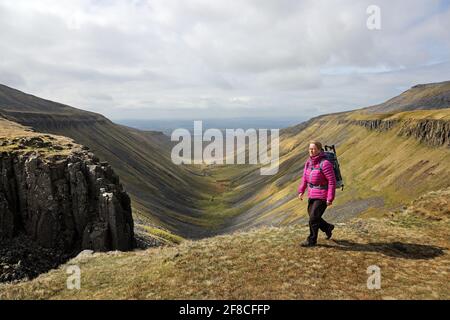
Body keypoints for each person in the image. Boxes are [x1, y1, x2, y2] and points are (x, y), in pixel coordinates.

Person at [297, 140, 336, 247]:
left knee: (313, 218)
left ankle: (311, 240)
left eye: (313, 149)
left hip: (322, 195)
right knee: (314, 216)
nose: (311, 151)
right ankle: (327, 227)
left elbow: (332, 181)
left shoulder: (325, 164)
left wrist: (330, 198)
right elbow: (305, 178)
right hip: (312, 194)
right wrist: (301, 191)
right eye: (310, 149)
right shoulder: (308, 163)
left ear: (319, 150)